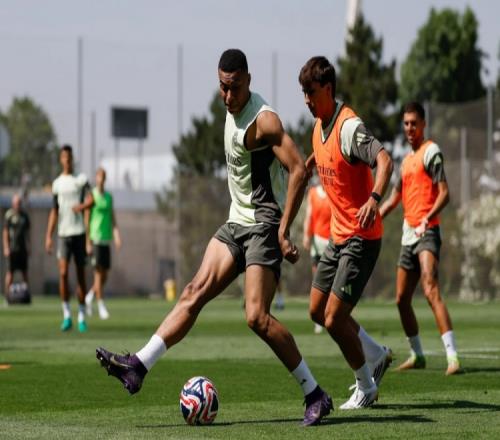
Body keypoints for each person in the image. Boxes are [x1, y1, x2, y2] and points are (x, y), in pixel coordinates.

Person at [96, 49, 332, 426]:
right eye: (222, 87)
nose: (227, 95)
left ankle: (314, 393)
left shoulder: (263, 121)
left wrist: (284, 229)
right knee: (193, 291)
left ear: (248, 81)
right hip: (236, 221)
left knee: (256, 317)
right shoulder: (228, 105)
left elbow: (299, 170)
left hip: (263, 224)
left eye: (235, 87)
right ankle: (138, 366)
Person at [298, 56, 393, 409]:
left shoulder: (349, 127)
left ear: (327, 89)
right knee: (316, 310)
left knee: (334, 318)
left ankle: (366, 386)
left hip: (361, 237)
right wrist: (309, 163)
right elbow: (324, 154)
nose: (306, 100)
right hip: (338, 237)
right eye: (303, 93)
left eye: (310, 92)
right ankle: (376, 354)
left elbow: (385, 161)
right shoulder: (318, 127)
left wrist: (374, 199)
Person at [379, 102, 461, 376]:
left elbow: (444, 193)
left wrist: (428, 217)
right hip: (408, 234)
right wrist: (375, 214)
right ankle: (417, 354)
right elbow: (394, 198)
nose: (409, 128)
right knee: (401, 299)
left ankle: (453, 357)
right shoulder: (405, 161)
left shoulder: (431, 152)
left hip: (428, 231)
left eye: (414, 123)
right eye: (406, 123)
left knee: (430, 288)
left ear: (423, 124)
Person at [45, 144, 90, 333]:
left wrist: (82, 207)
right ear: (61, 159)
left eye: (70, 157)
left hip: (79, 233)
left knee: (80, 275)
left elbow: (91, 199)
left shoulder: (81, 180)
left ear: (72, 159)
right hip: (63, 234)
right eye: (64, 157)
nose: (67, 160)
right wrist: (48, 235)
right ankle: (66, 315)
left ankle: (82, 316)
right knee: (63, 273)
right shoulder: (57, 184)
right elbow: (54, 210)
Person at [74, 167, 121, 320]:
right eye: (99, 177)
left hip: (106, 239)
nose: (101, 179)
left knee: (104, 275)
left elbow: (113, 218)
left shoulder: (108, 197)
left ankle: (89, 296)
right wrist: (88, 241)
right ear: (96, 178)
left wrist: (117, 235)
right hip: (95, 239)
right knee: (98, 275)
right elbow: (87, 218)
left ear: (105, 179)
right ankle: (101, 306)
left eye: (103, 177)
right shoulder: (92, 195)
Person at [302, 178, 331, 334]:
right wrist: (306, 235)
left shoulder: (333, 192)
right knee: (317, 280)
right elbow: (309, 215)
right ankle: (319, 318)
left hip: (332, 241)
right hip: (317, 242)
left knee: (333, 282)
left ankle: (333, 314)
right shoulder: (313, 193)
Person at [3, 194, 30, 302]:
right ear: (13, 204)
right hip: (12, 249)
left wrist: (29, 246)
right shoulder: (9, 215)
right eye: (16, 203)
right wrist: (6, 247)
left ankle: (27, 296)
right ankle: (7, 296)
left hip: (22, 249)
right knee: (10, 273)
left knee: (25, 273)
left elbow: (28, 233)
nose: (18, 205)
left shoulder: (24, 216)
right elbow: (5, 232)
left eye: (19, 203)